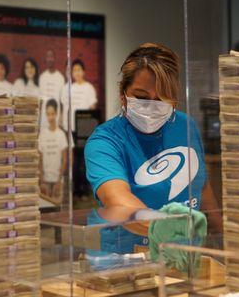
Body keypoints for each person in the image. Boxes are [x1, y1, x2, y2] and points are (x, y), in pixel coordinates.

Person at [85, 42, 218, 216]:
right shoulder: (105, 142)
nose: (152, 106)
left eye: (162, 99)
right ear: (122, 94)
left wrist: (221, 234)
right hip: (132, 243)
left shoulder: (185, 126)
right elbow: (118, 201)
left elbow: (203, 188)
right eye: (141, 97)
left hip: (186, 243)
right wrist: (168, 227)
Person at [38, 99, 69, 202]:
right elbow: (40, 159)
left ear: (56, 114)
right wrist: (41, 179)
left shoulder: (61, 134)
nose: (50, 117)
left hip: (57, 180)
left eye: (52, 114)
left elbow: (64, 160)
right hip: (45, 180)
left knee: (57, 211)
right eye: (48, 114)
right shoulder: (42, 134)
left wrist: (59, 180)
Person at [60, 59, 97, 132]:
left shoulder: (89, 87)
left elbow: (93, 109)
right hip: (70, 127)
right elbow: (65, 107)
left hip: (84, 127)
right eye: (74, 70)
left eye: (79, 70)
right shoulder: (69, 88)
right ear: (72, 73)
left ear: (83, 72)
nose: (77, 73)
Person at [38, 50, 65, 127]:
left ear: (55, 58)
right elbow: (40, 101)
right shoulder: (42, 77)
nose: (50, 59)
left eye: (51, 57)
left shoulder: (60, 78)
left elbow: (62, 100)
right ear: (46, 59)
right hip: (44, 118)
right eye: (48, 57)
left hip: (56, 117)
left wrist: (61, 117)